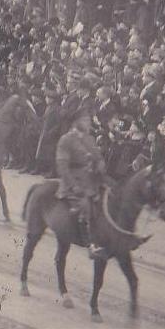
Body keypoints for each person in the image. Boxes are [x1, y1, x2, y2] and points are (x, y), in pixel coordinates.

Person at [55, 106, 109, 259]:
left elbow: (98, 157)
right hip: (74, 180)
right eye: (85, 120)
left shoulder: (89, 138)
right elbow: (62, 167)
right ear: (76, 122)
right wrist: (74, 185)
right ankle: (90, 244)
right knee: (85, 204)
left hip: (92, 179)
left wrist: (100, 164)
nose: (88, 123)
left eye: (88, 120)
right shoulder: (66, 140)